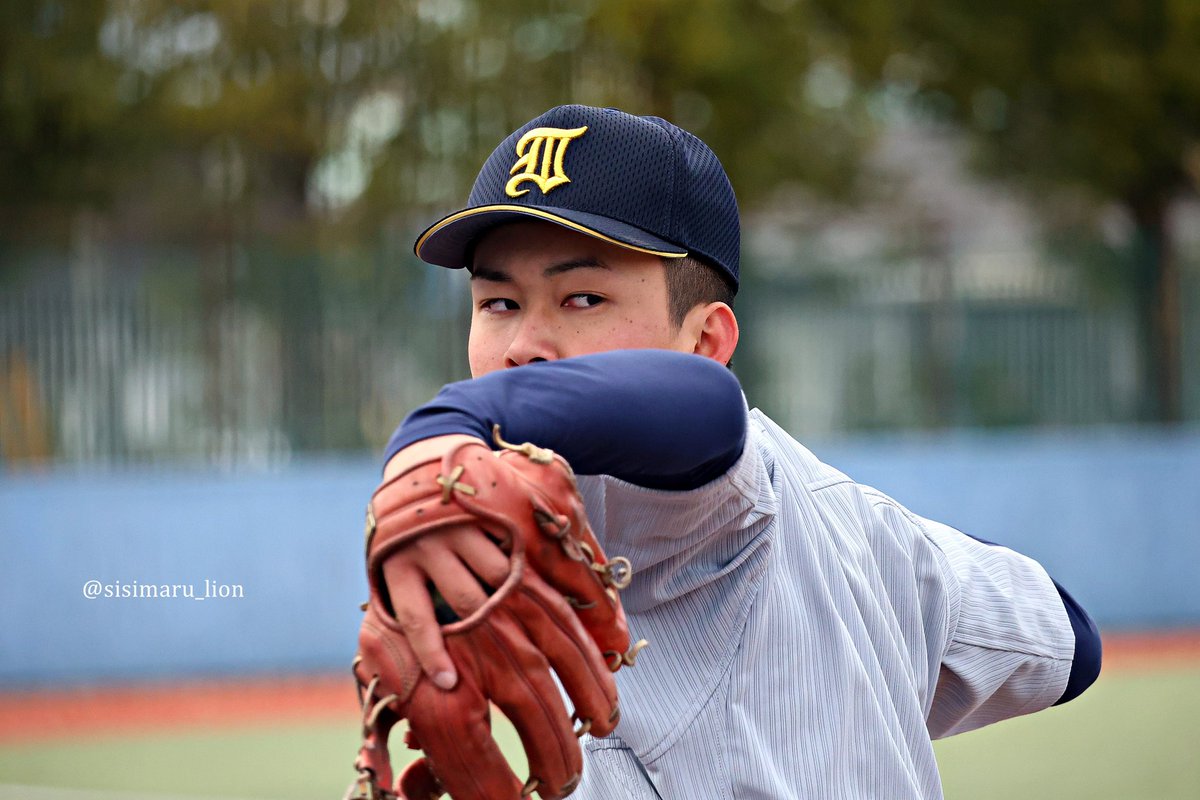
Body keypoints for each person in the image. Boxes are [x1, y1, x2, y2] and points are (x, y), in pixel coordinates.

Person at [374, 104, 1101, 798]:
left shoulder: (700, 498)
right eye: (498, 304)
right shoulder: (859, 528)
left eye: (583, 299)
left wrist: (442, 423)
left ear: (706, 343)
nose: (521, 348)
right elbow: (1067, 640)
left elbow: (706, 414)